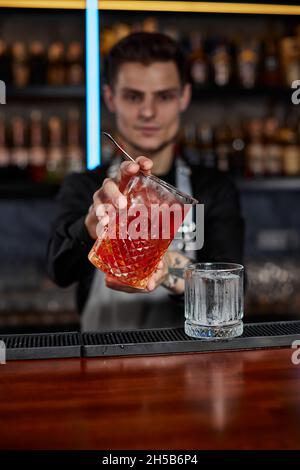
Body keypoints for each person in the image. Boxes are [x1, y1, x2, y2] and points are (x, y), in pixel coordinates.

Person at [46, 32, 244, 331]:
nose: (148, 112)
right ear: (111, 98)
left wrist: (162, 267)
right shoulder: (85, 185)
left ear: (184, 97)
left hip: (189, 361)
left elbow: (231, 291)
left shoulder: (213, 188)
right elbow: (57, 271)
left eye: (163, 96)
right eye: (133, 96)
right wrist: (89, 226)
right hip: (102, 361)